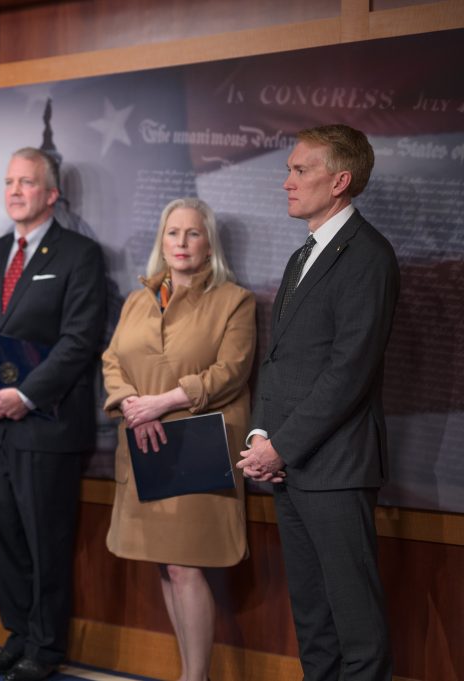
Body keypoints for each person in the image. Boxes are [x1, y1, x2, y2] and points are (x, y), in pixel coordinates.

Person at [237, 124, 398, 681]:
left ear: (339, 181)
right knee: (313, 619)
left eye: (300, 170)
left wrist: (280, 446)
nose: (286, 181)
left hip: (337, 470)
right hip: (290, 467)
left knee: (356, 624)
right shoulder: (302, 255)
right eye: (289, 169)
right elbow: (279, 358)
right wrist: (261, 435)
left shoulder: (369, 256)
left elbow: (348, 373)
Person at [0, 147, 106, 681]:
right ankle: (17, 636)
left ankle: (45, 649)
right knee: (2, 539)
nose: (15, 191)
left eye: (26, 182)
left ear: (51, 194)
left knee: (45, 541)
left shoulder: (79, 254)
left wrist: (25, 395)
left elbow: (79, 340)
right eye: (9, 182)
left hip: (45, 424)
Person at [101, 197, 255, 681]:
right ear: (161, 241)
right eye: (173, 232)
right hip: (143, 446)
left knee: (186, 567)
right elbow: (112, 360)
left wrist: (162, 403)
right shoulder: (138, 299)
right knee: (165, 566)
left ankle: (195, 677)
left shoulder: (234, 300)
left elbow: (231, 371)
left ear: (209, 243)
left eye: (193, 233)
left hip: (197, 448)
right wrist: (131, 403)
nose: (182, 242)